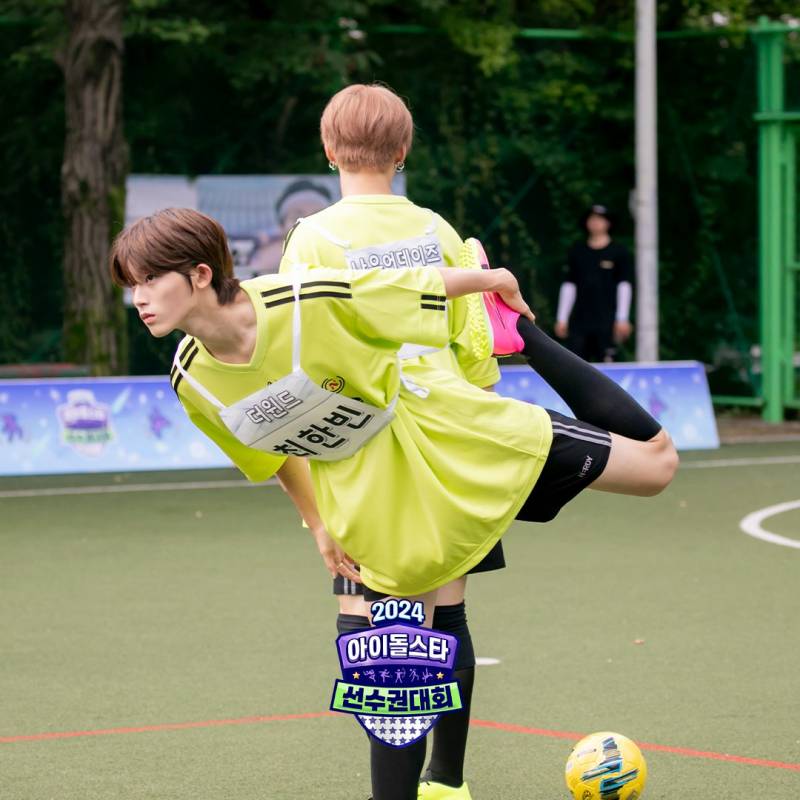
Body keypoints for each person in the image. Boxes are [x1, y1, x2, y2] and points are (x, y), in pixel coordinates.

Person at [110, 207, 678, 800]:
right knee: (394, 682)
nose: (140, 298)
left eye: (151, 280)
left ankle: (518, 335)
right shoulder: (192, 381)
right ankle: (440, 780)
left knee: (656, 465)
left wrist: (489, 283)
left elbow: (406, 289)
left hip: (448, 435)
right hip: (376, 502)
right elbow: (275, 455)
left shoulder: (305, 299)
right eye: (133, 286)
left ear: (201, 275)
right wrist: (318, 525)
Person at [280, 83, 504, 800]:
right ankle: (449, 781)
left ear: (327, 149)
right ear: (403, 151)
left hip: (365, 456)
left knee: (369, 617)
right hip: (446, 443)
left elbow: (299, 353)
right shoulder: (441, 232)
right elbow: (473, 350)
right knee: (451, 610)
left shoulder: (313, 238)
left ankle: (395, 789)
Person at [555, 204, 634, 362]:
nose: (596, 223)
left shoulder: (619, 251)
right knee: (575, 363)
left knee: (608, 362)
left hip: (607, 320)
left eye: (600, 219)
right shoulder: (577, 251)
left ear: (608, 223)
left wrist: (622, 318)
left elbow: (624, 285)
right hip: (580, 320)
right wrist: (562, 318)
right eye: (592, 219)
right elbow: (569, 285)